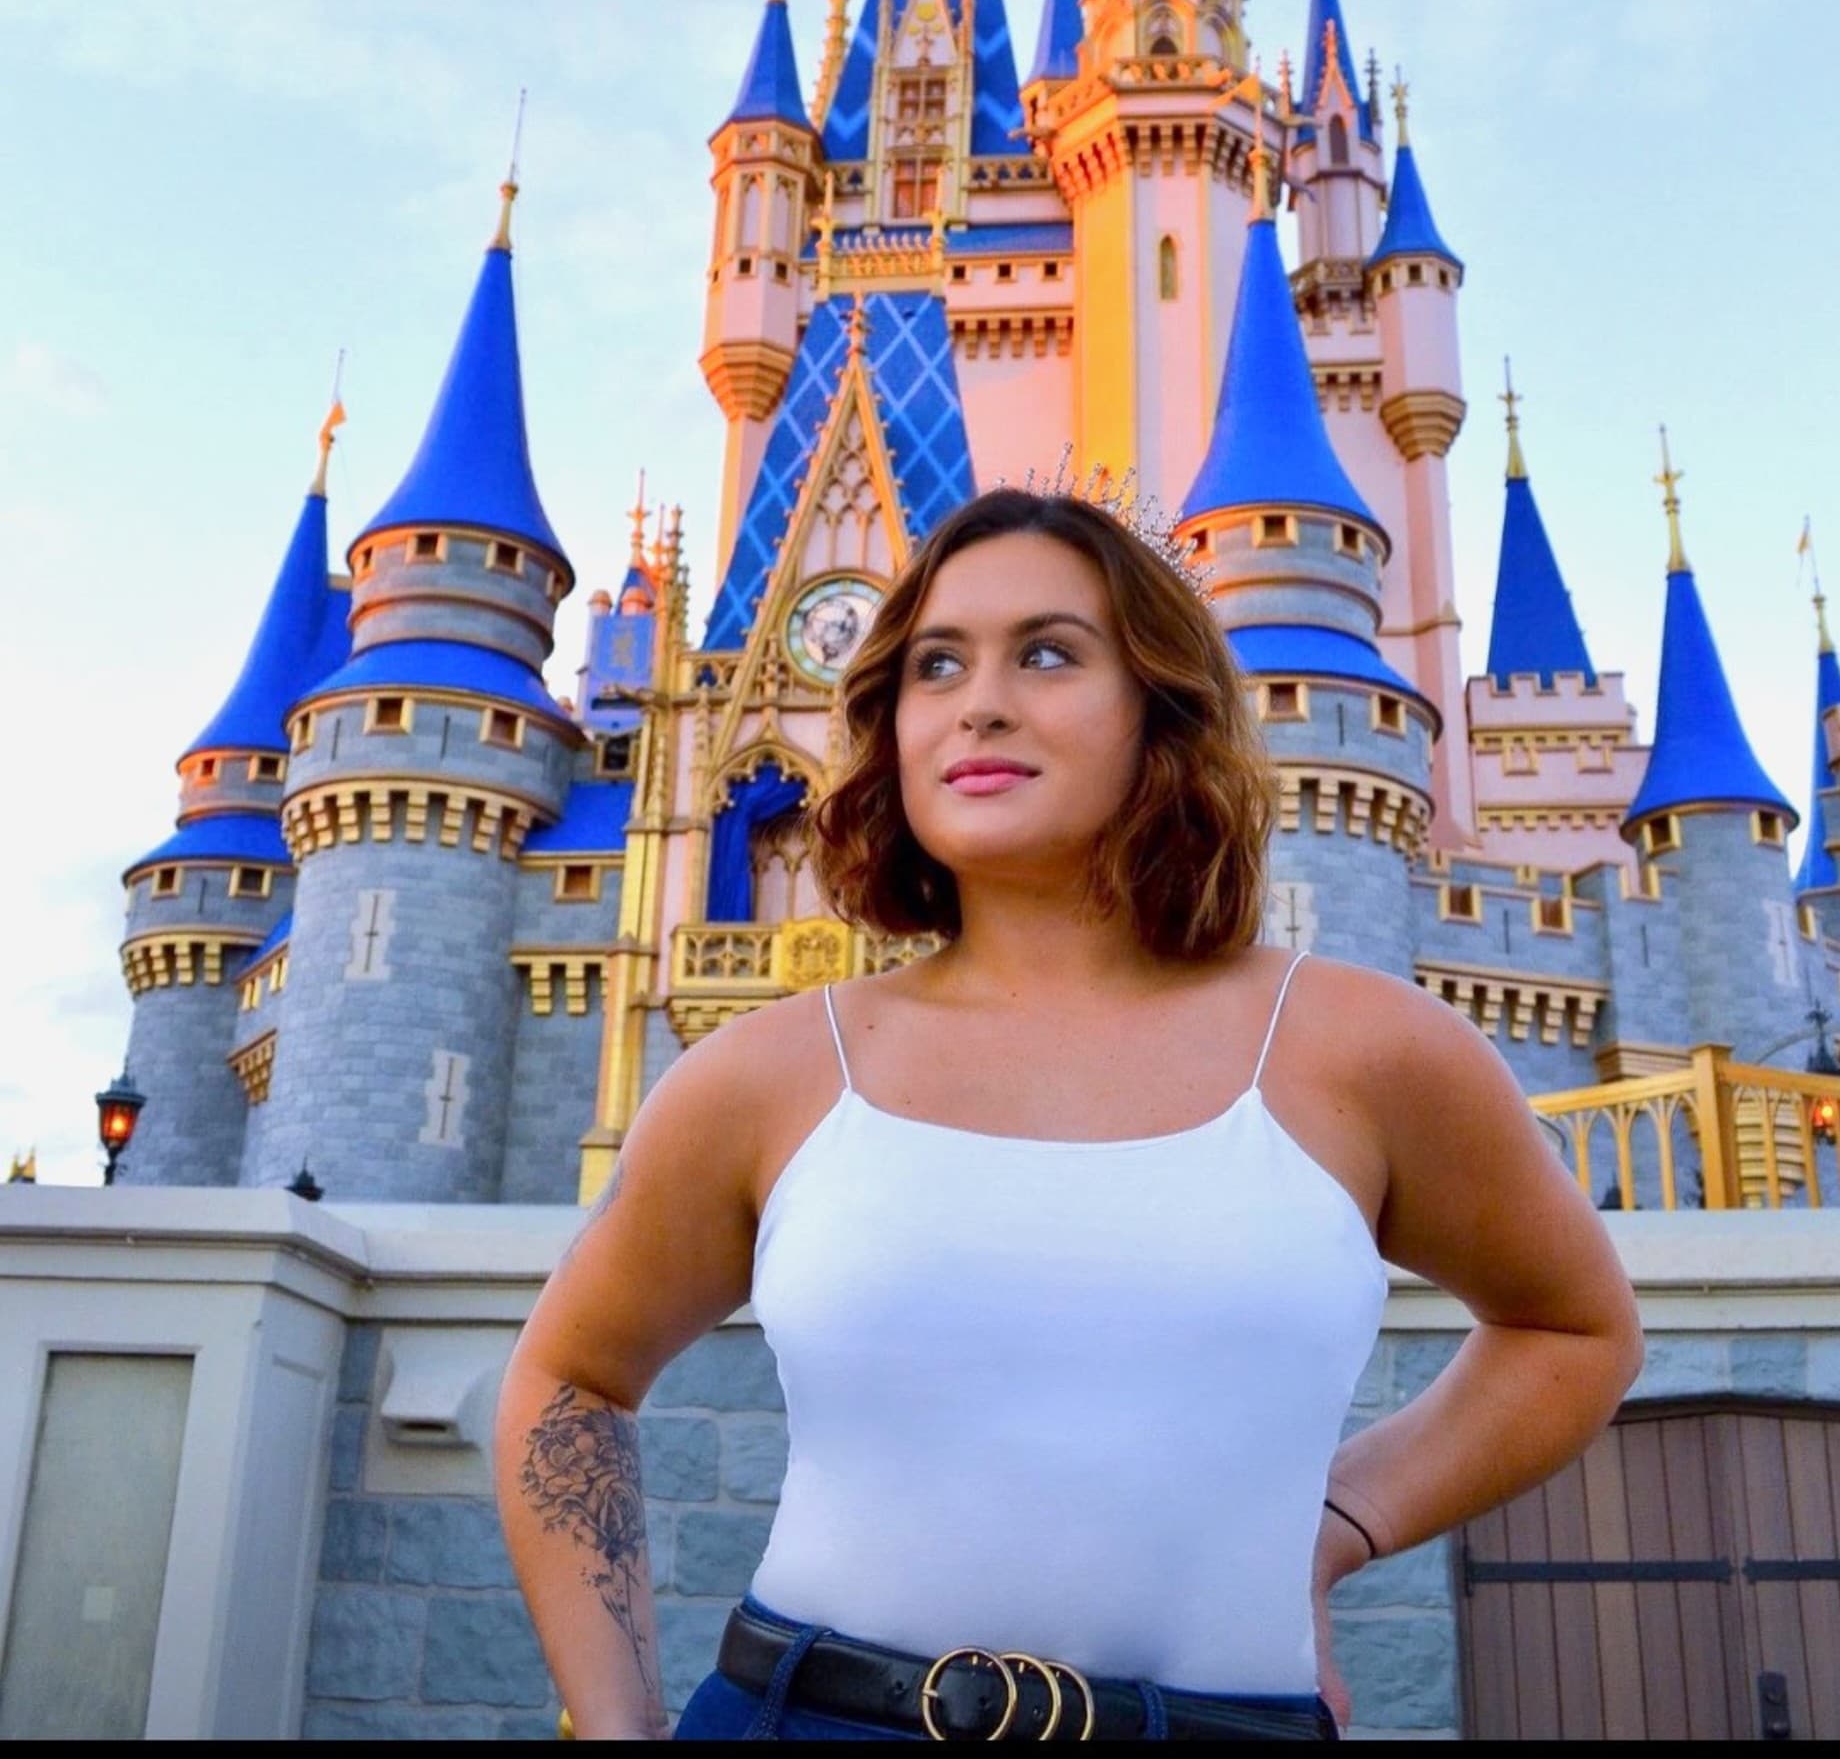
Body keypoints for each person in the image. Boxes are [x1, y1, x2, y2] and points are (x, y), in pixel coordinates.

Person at [496, 487, 1643, 1741]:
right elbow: (570, 1375)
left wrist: (1332, 1526)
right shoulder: (767, 1075)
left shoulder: (1364, 1053)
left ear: (1159, 706)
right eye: (937, 665)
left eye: (1046, 653)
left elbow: (1572, 1329)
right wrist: (616, 1725)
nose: (979, 702)